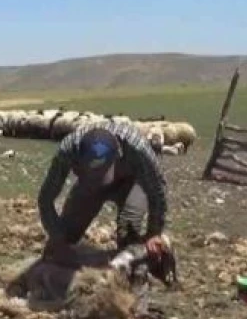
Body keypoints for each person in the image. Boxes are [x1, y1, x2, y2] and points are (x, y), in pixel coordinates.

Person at [37, 121, 170, 287]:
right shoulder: (68, 150)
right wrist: (57, 236)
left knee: (128, 228)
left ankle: (135, 275)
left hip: (131, 183)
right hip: (89, 185)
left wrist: (154, 232)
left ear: (118, 155)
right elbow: (46, 198)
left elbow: (156, 189)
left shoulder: (137, 147)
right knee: (63, 241)